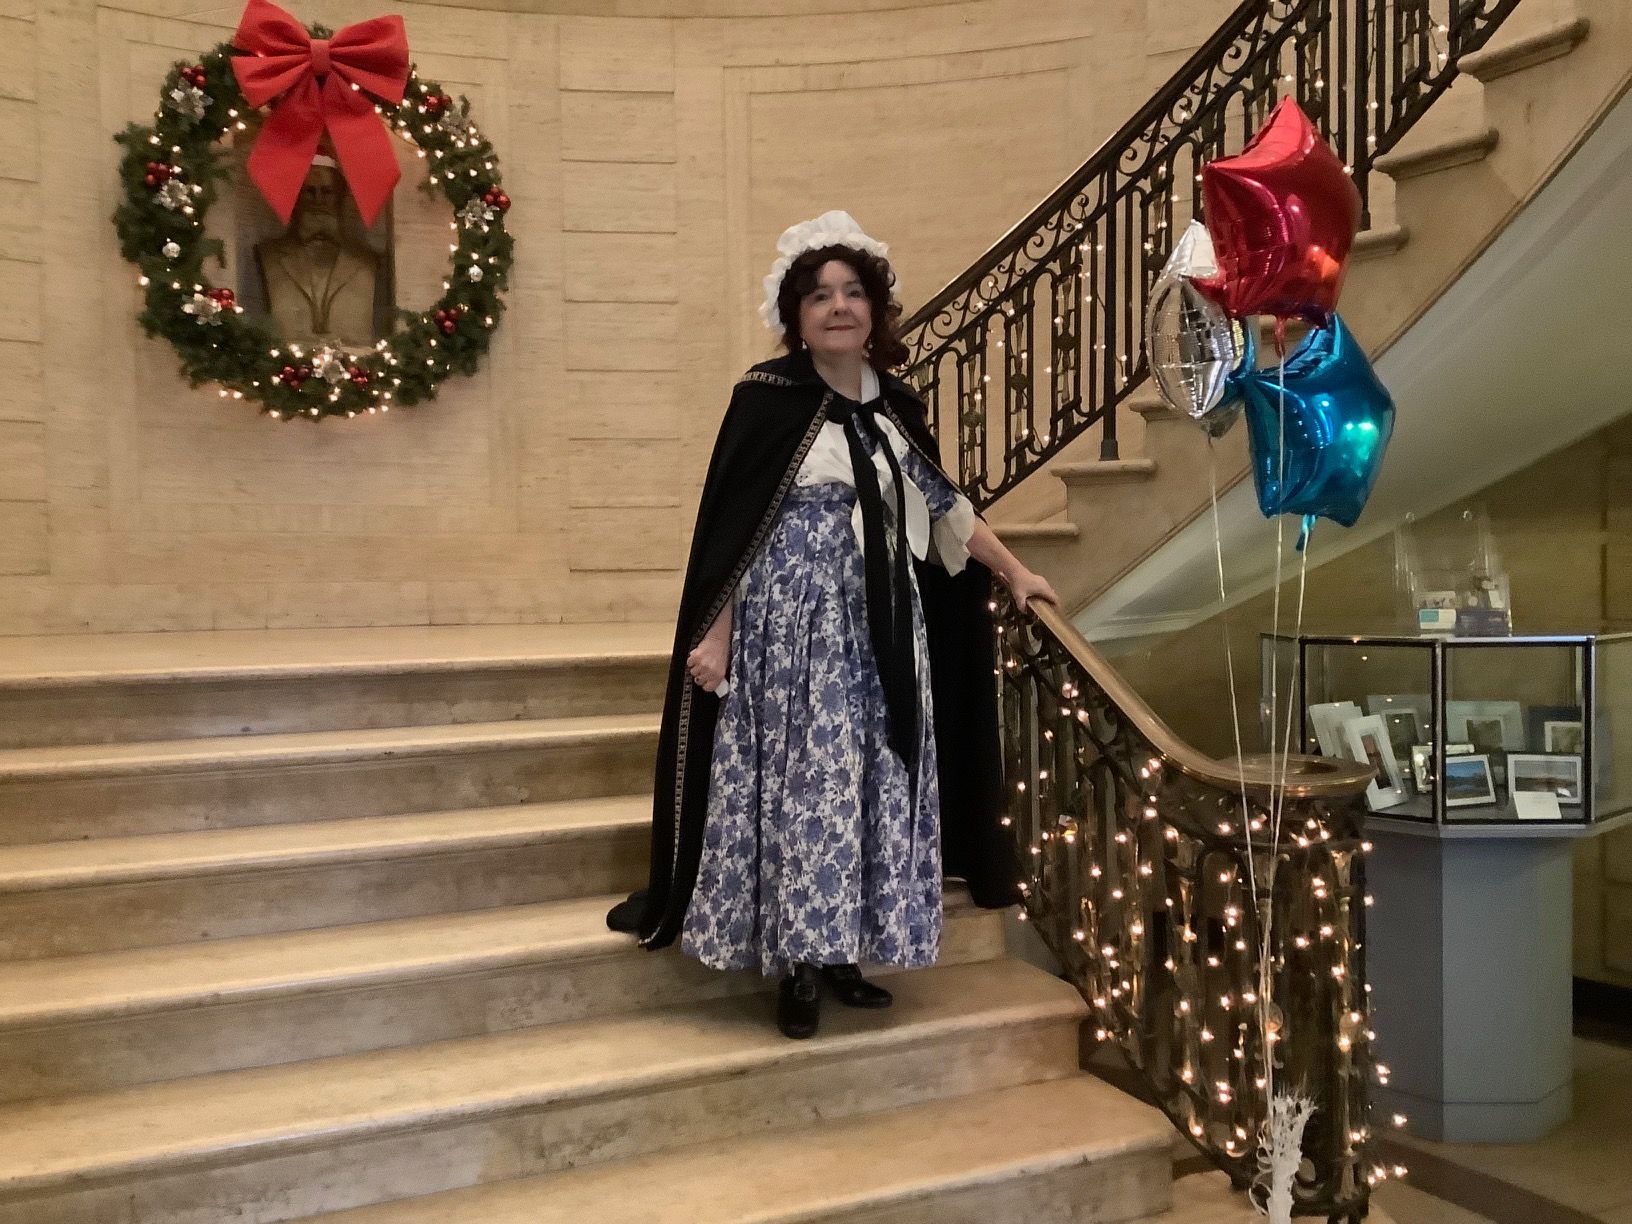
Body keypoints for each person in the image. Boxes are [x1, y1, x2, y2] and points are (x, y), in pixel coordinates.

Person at [607, 210, 1058, 1039]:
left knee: (870, 783)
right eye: (819, 295)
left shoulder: (895, 407)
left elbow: (947, 509)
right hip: (793, 628)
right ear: (796, 315)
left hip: (883, 631)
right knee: (805, 787)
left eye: (853, 292)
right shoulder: (765, 399)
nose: (839, 307)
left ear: (875, 309)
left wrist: (1017, 574)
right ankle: (797, 965)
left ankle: (846, 949)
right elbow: (734, 530)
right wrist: (717, 633)